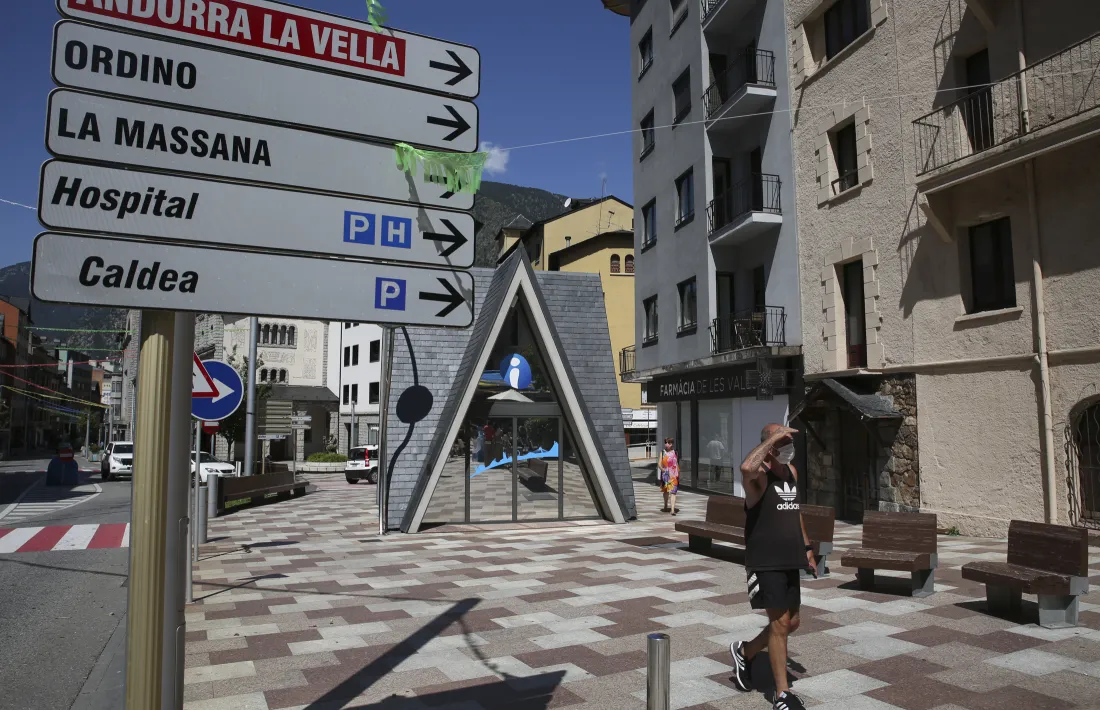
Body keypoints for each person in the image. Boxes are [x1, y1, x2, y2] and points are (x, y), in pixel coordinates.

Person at [729, 423, 815, 710]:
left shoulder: (791, 473)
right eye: (784, 441)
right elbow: (745, 468)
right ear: (771, 447)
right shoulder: (759, 479)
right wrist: (773, 438)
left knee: (792, 623)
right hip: (765, 561)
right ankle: (782, 695)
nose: (790, 446)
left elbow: (795, 511)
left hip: (791, 557)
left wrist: (807, 549)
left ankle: (745, 651)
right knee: (779, 624)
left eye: (790, 440)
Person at [657, 437, 679, 515]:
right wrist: (662, 469)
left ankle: (672, 509)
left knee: (673, 492)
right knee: (666, 491)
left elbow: (676, 463)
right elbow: (659, 463)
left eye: (668, 443)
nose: (666, 444)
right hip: (665, 474)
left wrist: (678, 472)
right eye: (665, 443)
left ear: (671, 444)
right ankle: (665, 505)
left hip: (674, 475)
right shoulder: (662, 452)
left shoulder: (675, 452)